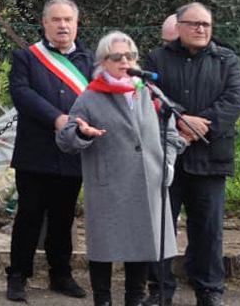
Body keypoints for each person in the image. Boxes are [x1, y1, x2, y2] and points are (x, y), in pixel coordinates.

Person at [57, 32, 185, 306]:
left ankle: (135, 299)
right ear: (103, 62)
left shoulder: (148, 91)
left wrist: (168, 160)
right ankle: (102, 300)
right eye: (117, 57)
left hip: (147, 184)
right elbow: (65, 138)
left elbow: (171, 131)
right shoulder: (91, 97)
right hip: (109, 186)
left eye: (130, 56)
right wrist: (85, 134)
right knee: (105, 249)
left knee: (141, 244)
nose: (125, 61)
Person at [142, 2, 240, 306]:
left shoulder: (227, 60)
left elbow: (234, 100)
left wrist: (198, 127)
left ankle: (210, 290)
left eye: (206, 25)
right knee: (161, 227)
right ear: (180, 26)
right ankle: (160, 289)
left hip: (211, 158)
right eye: (194, 24)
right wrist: (181, 119)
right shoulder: (157, 58)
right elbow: (148, 95)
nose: (201, 29)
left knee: (209, 231)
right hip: (167, 159)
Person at [6, 0, 93, 302]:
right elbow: (21, 93)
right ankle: (18, 275)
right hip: (35, 153)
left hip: (72, 155)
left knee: (63, 216)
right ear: (44, 23)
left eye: (68, 20)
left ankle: (61, 274)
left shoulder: (89, 61)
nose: (62, 25)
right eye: (56, 20)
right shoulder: (26, 57)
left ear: (76, 24)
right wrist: (55, 117)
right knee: (28, 215)